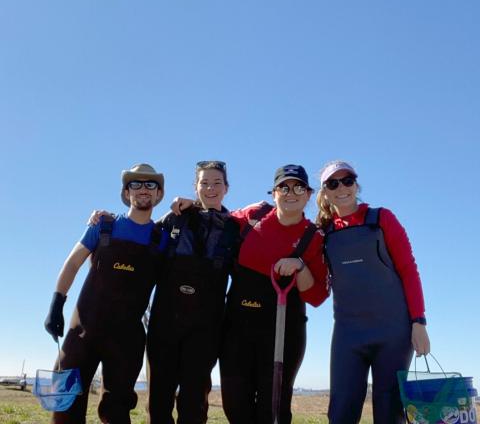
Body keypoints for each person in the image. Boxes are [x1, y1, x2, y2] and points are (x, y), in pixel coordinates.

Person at [172, 164, 329, 424]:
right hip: (237, 328)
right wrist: (195, 207)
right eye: (283, 187)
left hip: (283, 330)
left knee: (273, 409)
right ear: (273, 192)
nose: (291, 193)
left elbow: (317, 296)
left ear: (309, 194)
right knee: (235, 404)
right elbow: (217, 218)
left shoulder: (313, 238)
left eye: (299, 187)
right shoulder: (253, 215)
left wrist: (300, 266)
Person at [43, 163, 167, 424]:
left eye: (150, 184)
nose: (143, 189)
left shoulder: (162, 239)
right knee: (64, 401)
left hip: (127, 338)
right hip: (83, 332)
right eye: (135, 184)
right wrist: (56, 305)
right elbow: (72, 263)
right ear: (126, 193)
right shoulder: (103, 225)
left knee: (117, 410)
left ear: (158, 194)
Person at [315, 160, 430, 424]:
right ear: (325, 192)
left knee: (389, 409)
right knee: (341, 408)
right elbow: (316, 283)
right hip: (348, 333)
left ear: (356, 185)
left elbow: (408, 269)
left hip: (394, 332)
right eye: (333, 183)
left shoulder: (382, 219)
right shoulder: (324, 233)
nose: (341, 188)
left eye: (347, 181)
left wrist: (419, 321)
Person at [147, 160, 240, 424]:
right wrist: (106, 219)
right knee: (159, 399)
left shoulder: (234, 229)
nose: (210, 188)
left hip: (206, 326)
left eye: (217, 182)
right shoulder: (175, 218)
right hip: (165, 321)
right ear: (195, 187)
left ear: (227, 188)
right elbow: (142, 236)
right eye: (204, 182)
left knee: (194, 401)